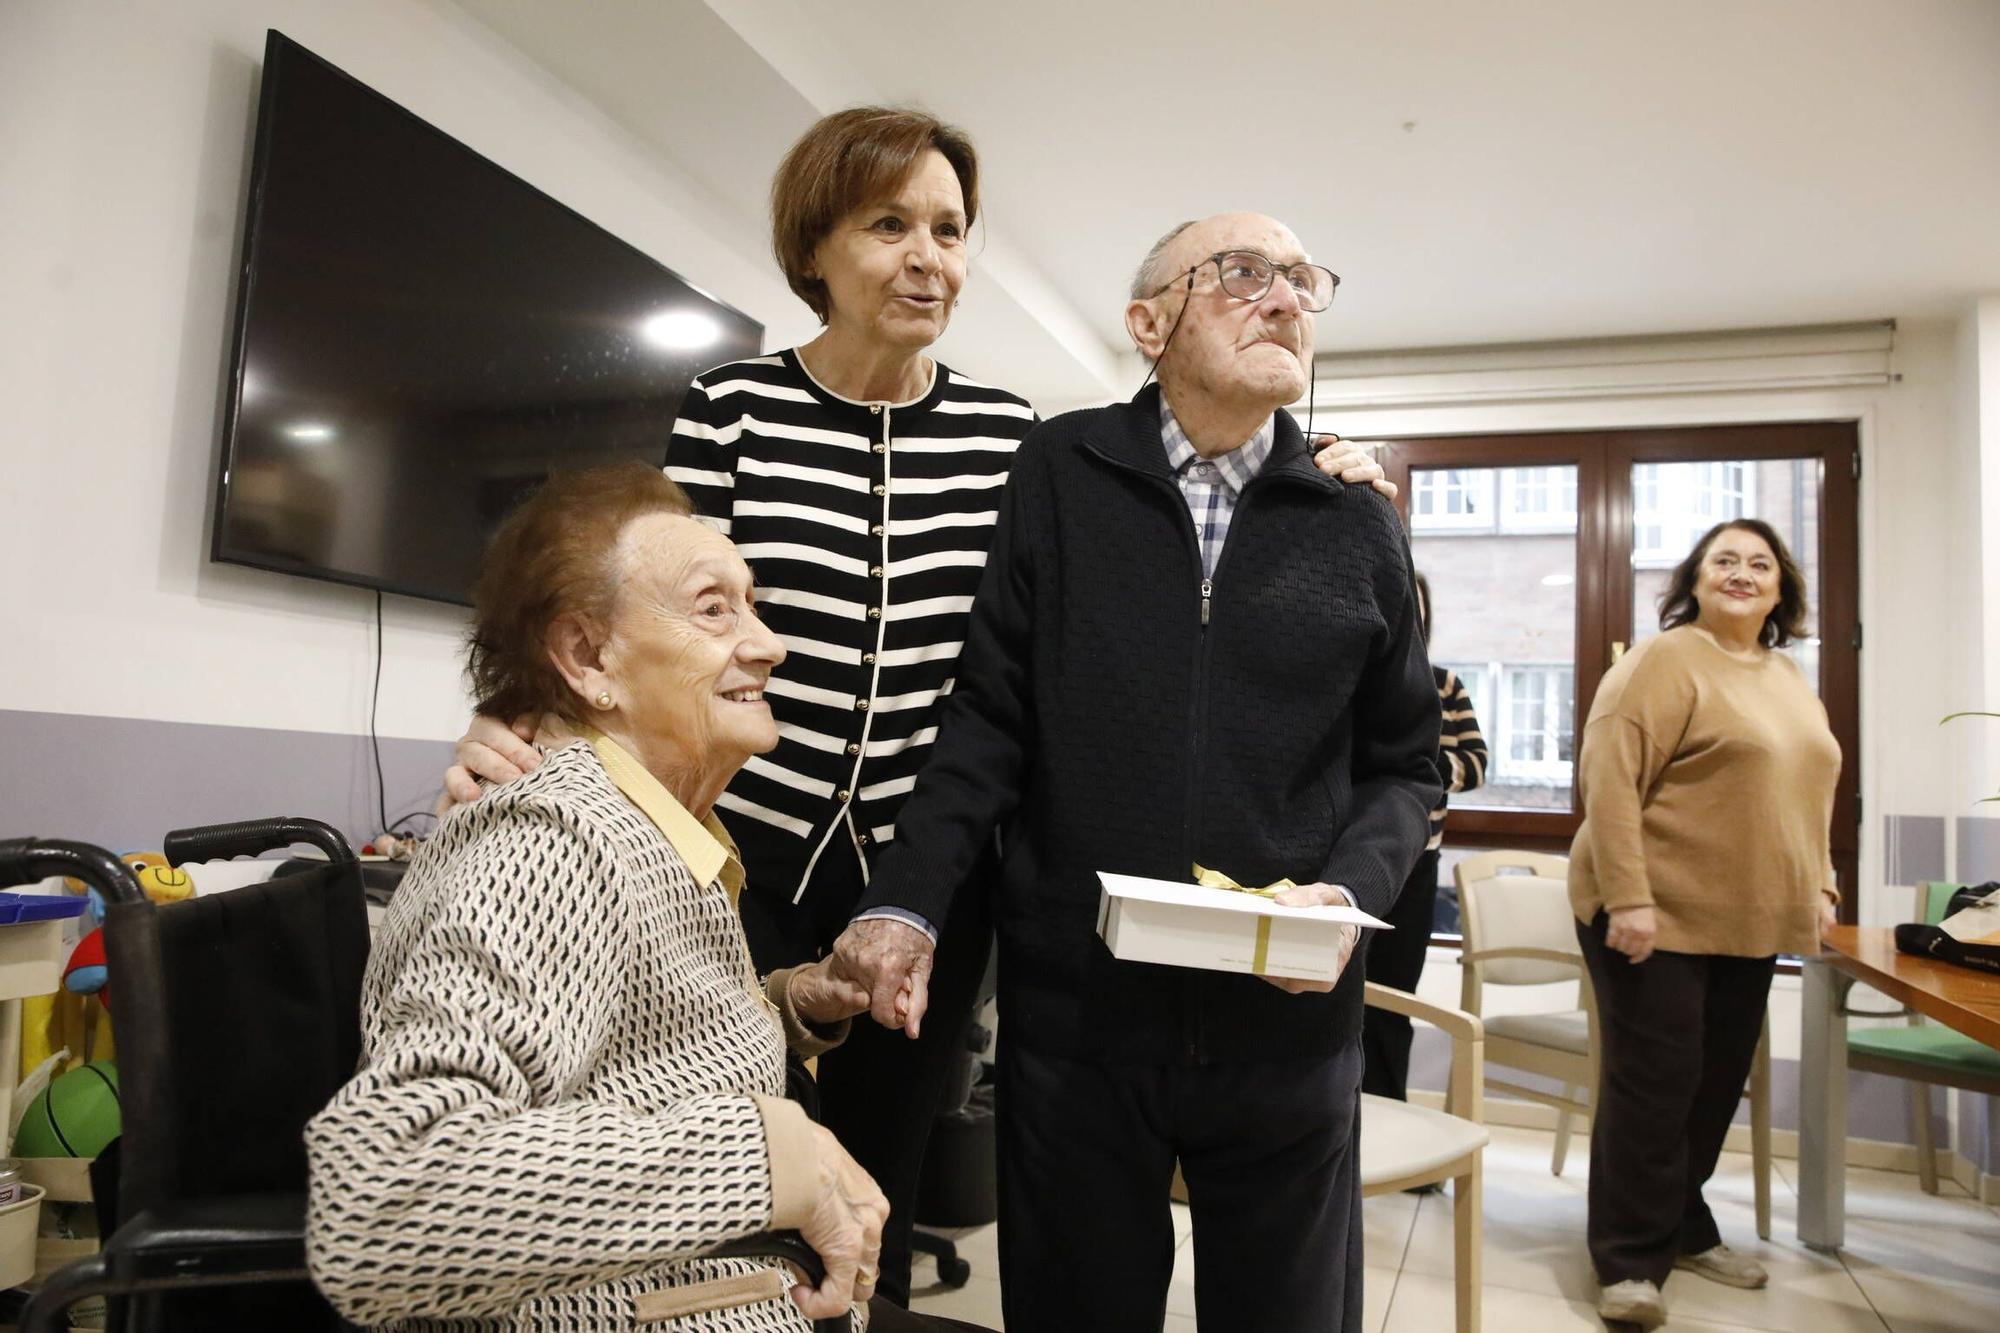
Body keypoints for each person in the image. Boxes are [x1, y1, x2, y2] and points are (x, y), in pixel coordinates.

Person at [440, 106, 1393, 1303]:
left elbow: (1062, 626)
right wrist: (518, 718)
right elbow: (637, 597)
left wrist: (1318, 468)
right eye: (888, 224)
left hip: (928, 880)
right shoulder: (733, 407)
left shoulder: (1015, 440)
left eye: (948, 229)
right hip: (742, 853)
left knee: (872, 1202)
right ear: (815, 251)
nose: (927, 255)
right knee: (714, 1182)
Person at [836, 212, 1443, 1332]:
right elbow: (988, 718)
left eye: (1304, 280)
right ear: (1147, 322)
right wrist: (907, 901)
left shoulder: (1357, 516)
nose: (1286, 299)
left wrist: (1349, 894)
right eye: (1244, 273)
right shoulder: (1060, 469)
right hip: (1078, 1027)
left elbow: (1408, 765)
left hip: (1285, 1035)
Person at [306, 464, 988, 1333]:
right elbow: (388, 1198)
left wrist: (784, 1005)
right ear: (590, 658)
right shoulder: (552, 843)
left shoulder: (655, 824)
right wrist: (776, 1158)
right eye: (715, 608)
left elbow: (634, 1058)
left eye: (754, 604)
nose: (768, 644)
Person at [1568, 518, 1840, 1330]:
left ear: (1782, 590)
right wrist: (1631, 895)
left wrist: (1820, 882)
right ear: (1694, 579)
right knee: (1655, 1085)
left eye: (1761, 563)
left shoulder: (1787, 673)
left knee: (1714, 1082)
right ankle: (1627, 1261)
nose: (1743, 572)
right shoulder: (1665, 658)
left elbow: (1809, 790)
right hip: (1656, 906)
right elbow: (1610, 776)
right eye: (1725, 559)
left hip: (1750, 915)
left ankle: (1683, 1227)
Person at [1361, 571, 1487, 1102]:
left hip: (1416, 864)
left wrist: (1419, 764)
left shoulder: (1444, 684)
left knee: (1393, 1000)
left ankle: (1391, 1118)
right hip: (1344, 861)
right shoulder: (1350, 677)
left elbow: (1475, 765)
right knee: (1328, 1002)